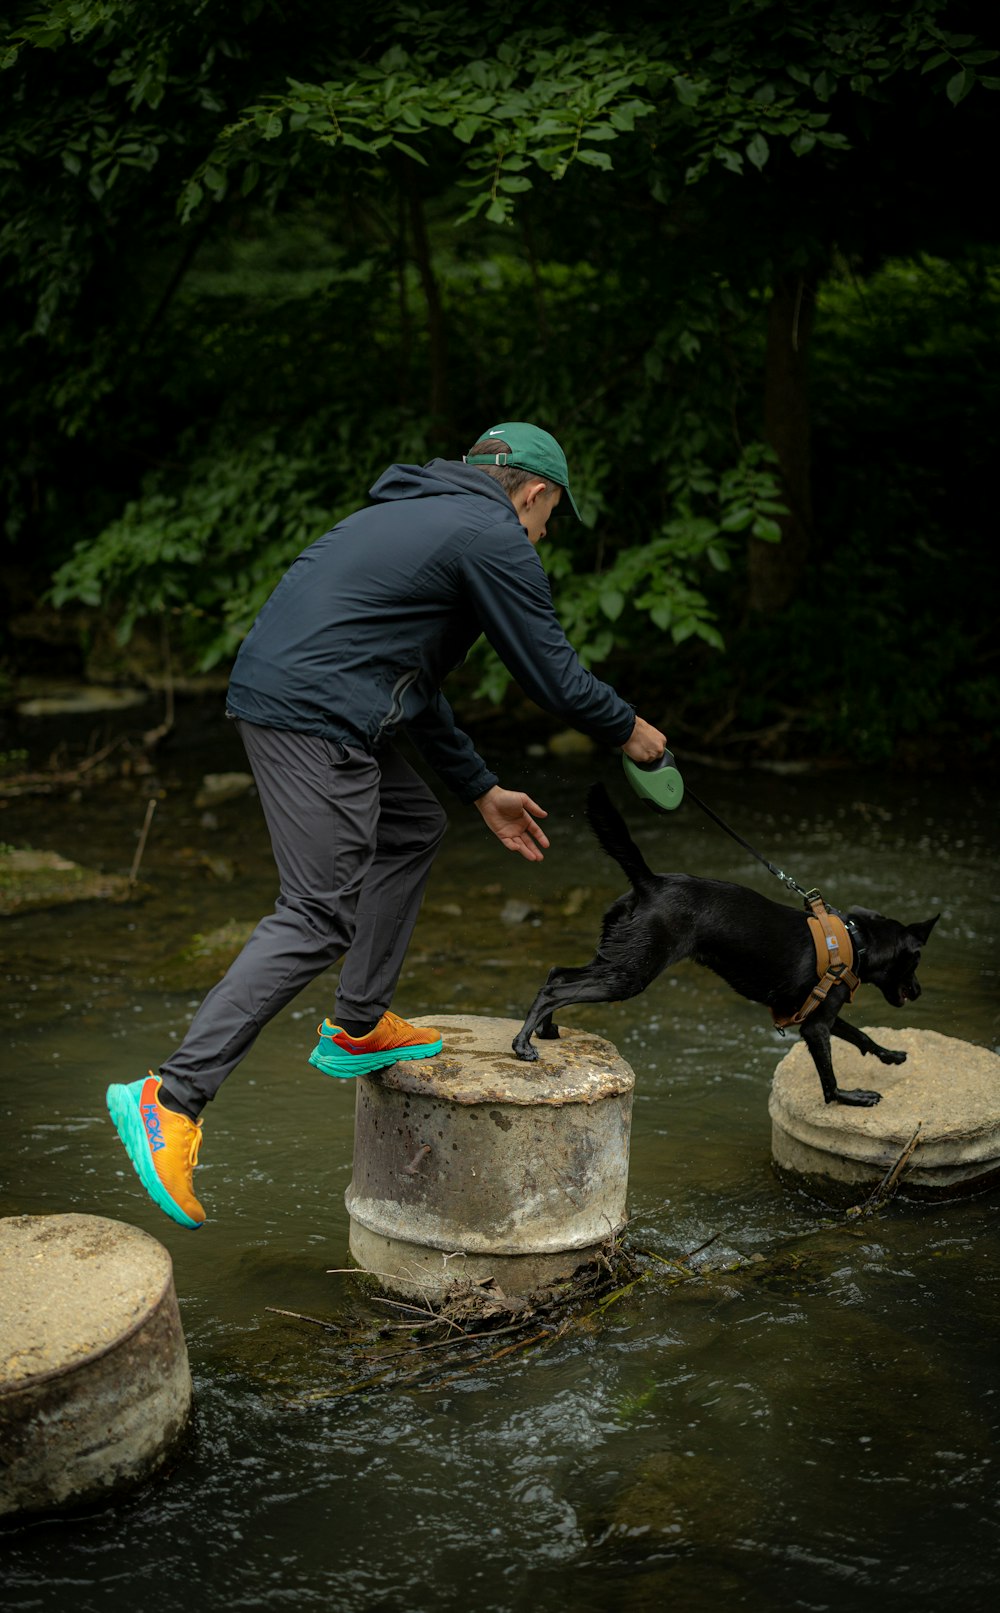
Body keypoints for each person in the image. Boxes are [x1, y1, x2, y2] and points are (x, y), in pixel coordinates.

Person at [106, 421, 666, 1229]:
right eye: (550, 519)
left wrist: (479, 788)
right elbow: (554, 673)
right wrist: (632, 732)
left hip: (310, 696)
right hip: (313, 712)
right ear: (535, 494)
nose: (544, 536)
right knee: (315, 910)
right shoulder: (489, 532)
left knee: (410, 824)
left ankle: (358, 1024)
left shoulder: (425, 517)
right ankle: (171, 1096)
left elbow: (418, 686)